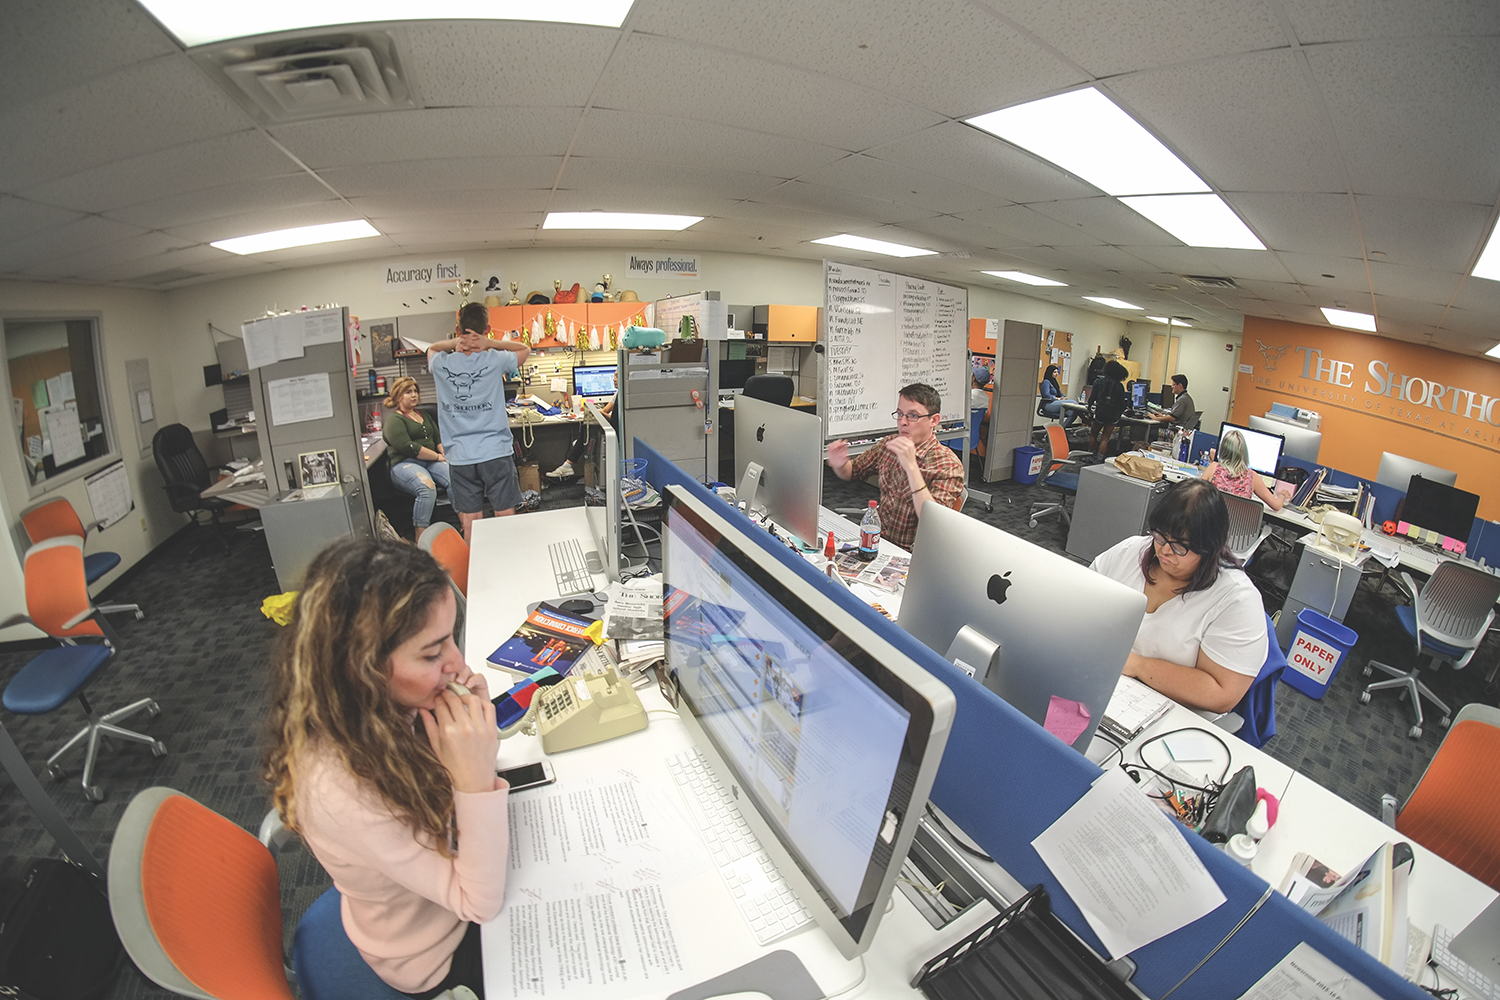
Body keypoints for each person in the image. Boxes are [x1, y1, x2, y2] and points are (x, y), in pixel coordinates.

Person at [264, 539, 506, 998]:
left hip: (437, 881)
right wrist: (475, 777)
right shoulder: (340, 787)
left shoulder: (383, 707)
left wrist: (468, 739)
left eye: (451, 638)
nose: (457, 663)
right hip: (432, 948)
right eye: (432, 654)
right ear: (364, 669)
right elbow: (478, 902)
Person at [1089, 478, 1268, 713]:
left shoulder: (1236, 600)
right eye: (1161, 536)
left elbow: (1222, 693)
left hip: (1172, 711)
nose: (1164, 550)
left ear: (1209, 547)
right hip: (1104, 680)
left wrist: (1138, 666)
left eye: (1180, 545)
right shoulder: (1131, 551)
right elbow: (1083, 598)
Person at [428, 302, 531, 541]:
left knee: (470, 522)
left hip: (460, 455)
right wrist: (490, 343)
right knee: (505, 513)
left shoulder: (442, 362)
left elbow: (431, 349)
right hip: (495, 451)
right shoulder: (495, 359)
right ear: (488, 328)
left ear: (457, 328)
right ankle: (509, 561)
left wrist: (455, 343)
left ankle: (477, 572)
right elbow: (524, 349)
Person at [825, 383, 965, 550]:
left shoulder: (947, 465)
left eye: (913, 415)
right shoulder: (889, 444)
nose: (903, 422)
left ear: (933, 420)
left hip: (913, 553)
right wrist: (841, 464)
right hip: (879, 541)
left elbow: (933, 522)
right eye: (900, 414)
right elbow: (853, 471)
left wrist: (912, 467)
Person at [382, 377, 450, 540]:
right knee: (426, 487)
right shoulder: (394, 420)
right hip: (405, 464)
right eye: (408, 392)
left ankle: (464, 523)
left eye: (415, 391)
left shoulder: (424, 414)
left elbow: (437, 437)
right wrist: (438, 457)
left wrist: (445, 456)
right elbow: (408, 447)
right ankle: (421, 536)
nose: (414, 395)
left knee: (456, 478)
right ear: (399, 396)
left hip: (432, 461)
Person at [546, 372, 616, 480]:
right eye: (614, 376)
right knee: (586, 426)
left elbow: (616, 420)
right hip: (611, 423)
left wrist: (597, 412)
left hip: (616, 429)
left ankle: (570, 461)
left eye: (616, 376)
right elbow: (605, 410)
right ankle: (580, 443)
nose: (614, 379)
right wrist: (596, 411)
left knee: (586, 428)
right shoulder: (617, 394)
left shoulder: (623, 395)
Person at [1201, 428, 1291, 511]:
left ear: (1222, 449)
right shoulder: (1252, 477)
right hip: (1238, 527)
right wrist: (1282, 496)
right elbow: (1276, 506)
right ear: (1244, 452)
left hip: (1211, 526)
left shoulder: (1213, 469)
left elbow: (1196, 496)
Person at [1085, 359, 1129, 459]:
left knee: (1093, 435)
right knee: (1105, 438)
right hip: (1113, 415)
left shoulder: (1098, 382)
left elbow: (1092, 398)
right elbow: (1122, 403)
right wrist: (1121, 412)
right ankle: (1099, 459)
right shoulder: (1119, 386)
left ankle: (1090, 455)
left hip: (1100, 413)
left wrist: (1089, 408)